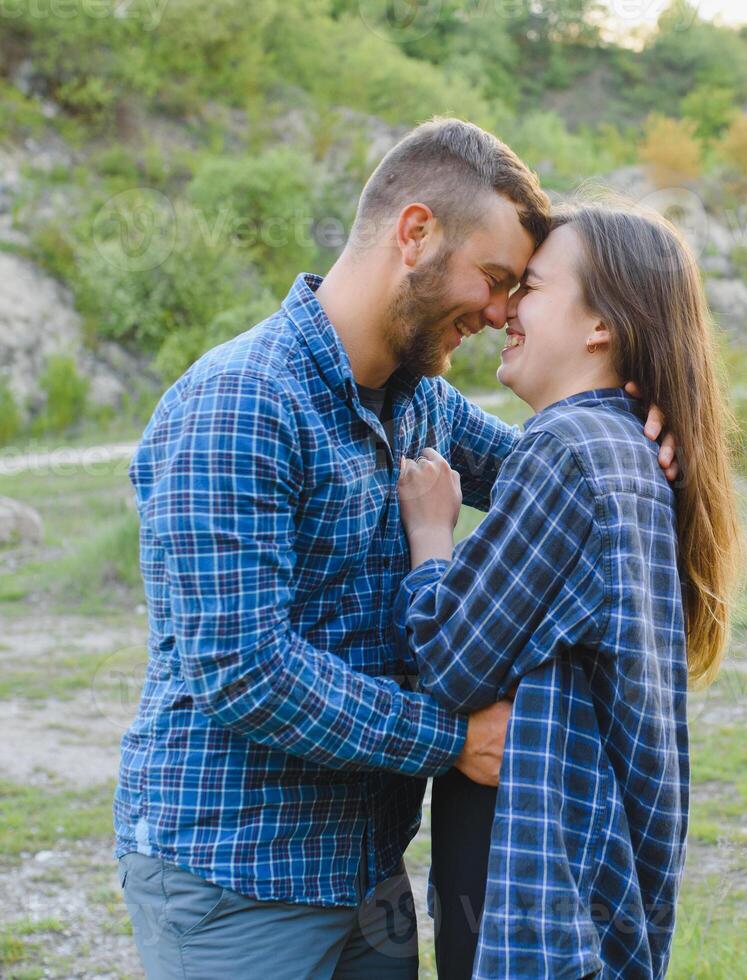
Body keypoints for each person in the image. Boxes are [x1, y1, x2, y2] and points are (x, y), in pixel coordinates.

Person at [114, 119, 679, 979]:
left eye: (517, 289)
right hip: (237, 878)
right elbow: (242, 671)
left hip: (368, 875)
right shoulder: (241, 404)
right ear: (414, 235)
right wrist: (451, 739)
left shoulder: (420, 404)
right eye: (493, 280)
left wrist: (632, 421)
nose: (498, 316)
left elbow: (553, 479)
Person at [394, 201, 747, 978]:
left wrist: (429, 537)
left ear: (601, 327)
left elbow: (450, 664)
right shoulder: (621, 445)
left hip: (526, 869)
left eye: (532, 287)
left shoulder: (569, 448)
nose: (506, 309)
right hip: (592, 871)